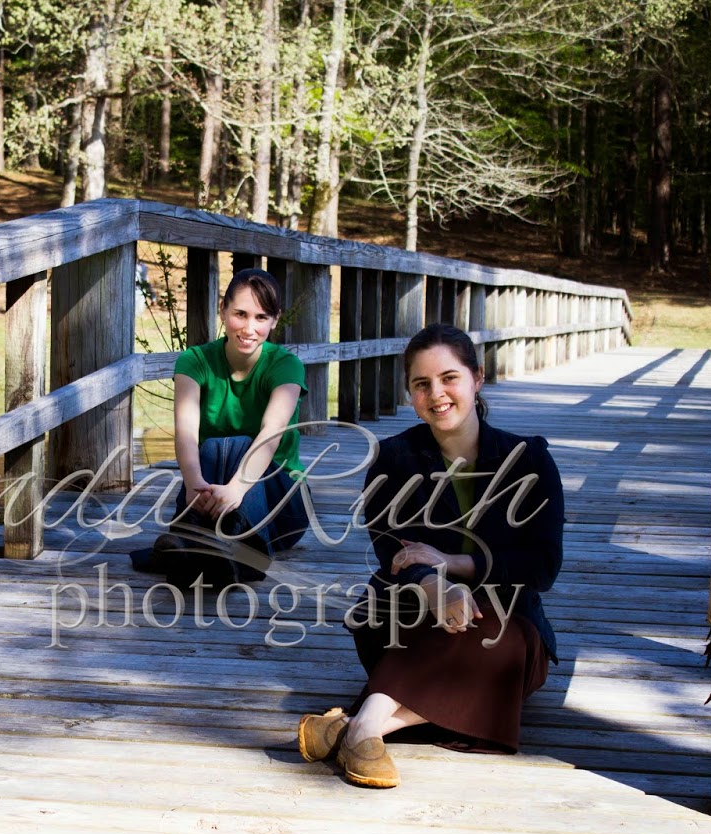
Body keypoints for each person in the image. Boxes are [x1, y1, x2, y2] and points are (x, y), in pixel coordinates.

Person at [296, 323, 564, 788]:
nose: (436, 394)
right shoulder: (394, 459)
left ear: (477, 377)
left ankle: (359, 727)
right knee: (444, 629)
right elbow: (392, 551)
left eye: (449, 378)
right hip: (411, 624)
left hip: (510, 628)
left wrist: (456, 565)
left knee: (501, 638)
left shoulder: (529, 460)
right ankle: (366, 729)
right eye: (422, 384)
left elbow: (542, 567)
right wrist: (432, 583)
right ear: (410, 392)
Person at [133, 268, 310, 584]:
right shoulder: (195, 361)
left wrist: (237, 489)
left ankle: (212, 540)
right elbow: (186, 431)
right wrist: (193, 484)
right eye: (240, 314)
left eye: (261, 317)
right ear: (223, 310)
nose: (249, 328)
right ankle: (214, 548)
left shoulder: (286, 366)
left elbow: (271, 433)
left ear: (275, 320)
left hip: (280, 503)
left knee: (238, 444)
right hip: (206, 496)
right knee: (213, 448)